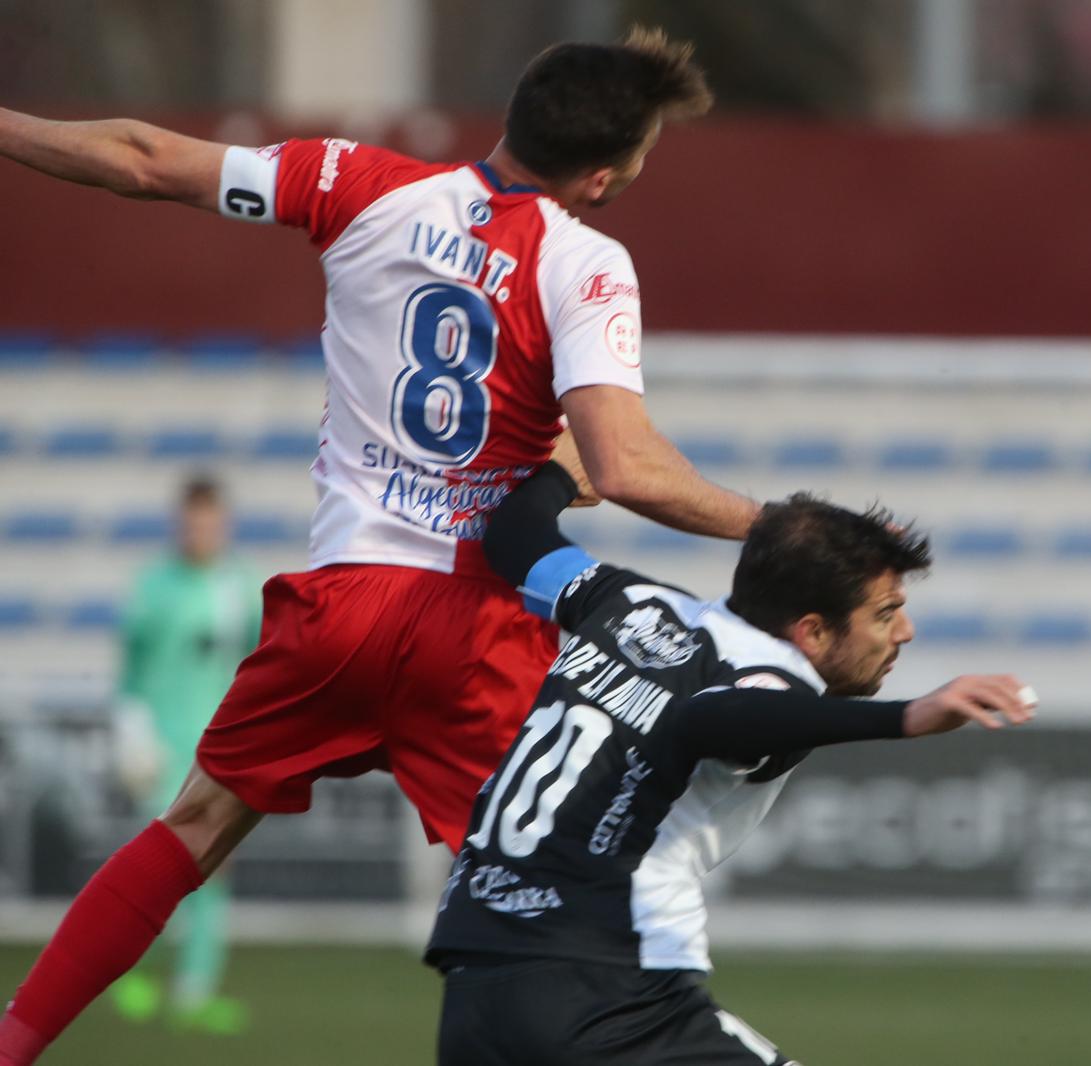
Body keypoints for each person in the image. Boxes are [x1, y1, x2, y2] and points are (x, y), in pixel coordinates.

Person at [0, 28, 762, 1064]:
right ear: (602, 174)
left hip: (342, 606)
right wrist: (777, 523)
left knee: (191, 827)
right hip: (473, 630)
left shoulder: (358, 183)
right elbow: (624, 465)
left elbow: (143, 159)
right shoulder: (584, 260)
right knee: (553, 892)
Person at [427, 460, 1035, 1065]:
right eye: (883, 613)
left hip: (476, 994)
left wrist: (560, 474)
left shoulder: (623, 602)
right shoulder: (769, 686)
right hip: (611, 996)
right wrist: (909, 716)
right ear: (812, 633)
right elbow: (709, 720)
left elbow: (513, 537)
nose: (903, 632)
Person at [109, 477, 260, 1035]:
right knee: (153, 866)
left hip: (218, 749)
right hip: (163, 747)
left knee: (214, 868)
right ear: (182, 523)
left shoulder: (239, 585)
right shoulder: (153, 587)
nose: (202, 532)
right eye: (194, 522)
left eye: (211, 522)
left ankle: (195, 989)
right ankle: (132, 975)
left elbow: (254, 662)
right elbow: (131, 667)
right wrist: (131, 728)